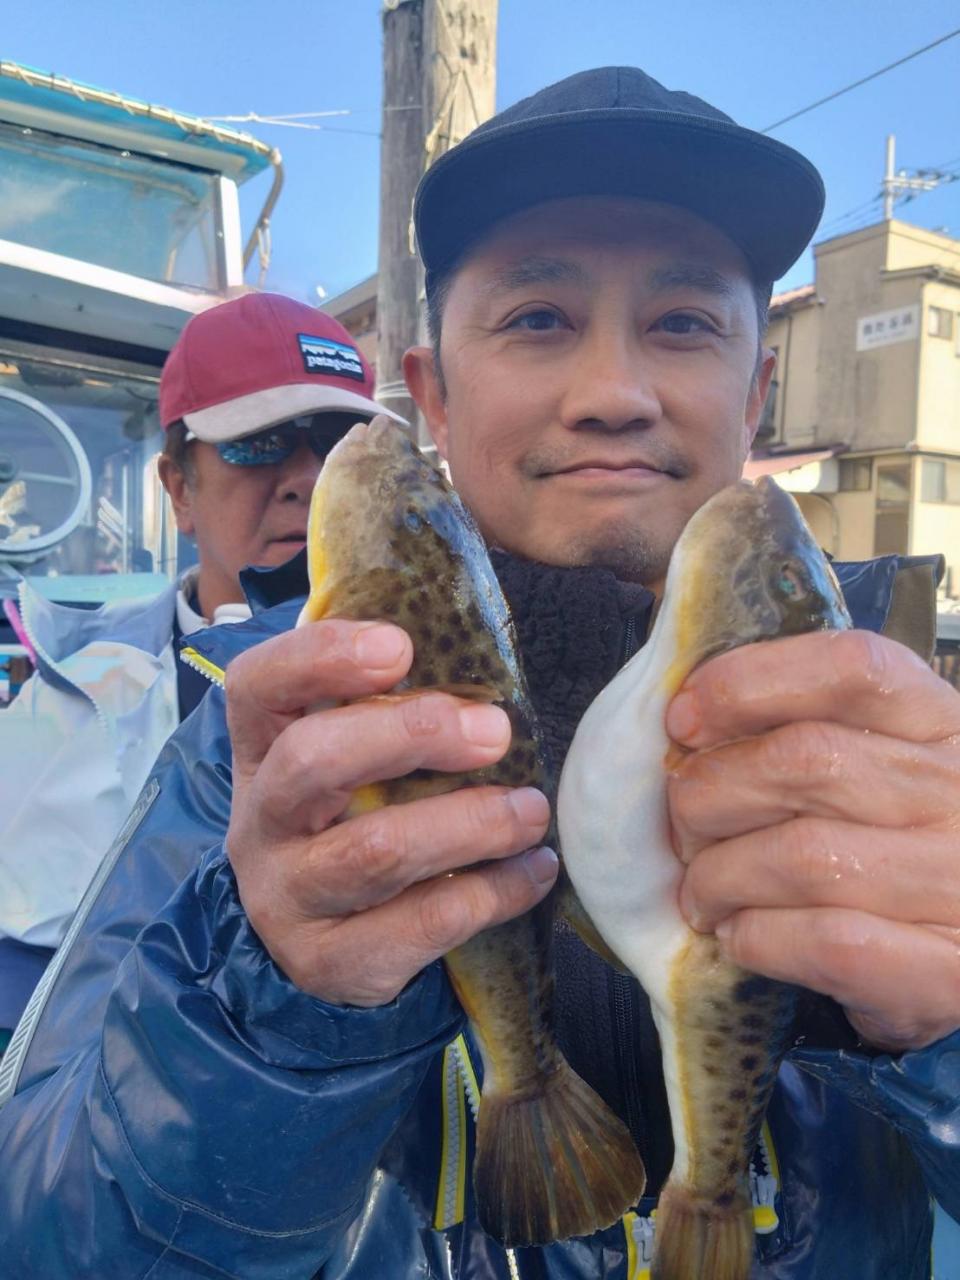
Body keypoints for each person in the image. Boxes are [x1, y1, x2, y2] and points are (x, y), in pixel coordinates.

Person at [0, 66, 956, 1279]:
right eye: (538, 318)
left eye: (683, 323)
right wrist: (269, 1005)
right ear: (435, 396)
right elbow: (45, 1234)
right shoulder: (264, 740)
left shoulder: (908, 736)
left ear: (756, 390)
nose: (613, 394)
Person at [0, 292, 402, 1044]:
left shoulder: (450, 671)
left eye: (340, 443)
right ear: (179, 490)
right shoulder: (63, 703)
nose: (309, 476)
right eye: (259, 442)